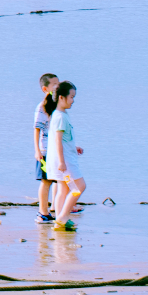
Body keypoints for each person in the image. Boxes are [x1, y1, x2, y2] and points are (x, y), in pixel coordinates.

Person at [45, 80, 84, 230]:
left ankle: (60, 218)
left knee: (63, 189)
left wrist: (75, 147)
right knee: (79, 187)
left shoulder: (59, 114)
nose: (73, 101)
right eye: (71, 97)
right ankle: (62, 217)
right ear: (61, 97)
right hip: (65, 162)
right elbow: (57, 141)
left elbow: (63, 140)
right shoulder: (60, 116)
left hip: (62, 160)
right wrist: (62, 162)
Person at [32, 71, 60, 223]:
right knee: (46, 181)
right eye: (54, 84)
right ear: (45, 89)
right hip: (45, 150)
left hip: (57, 150)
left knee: (58, 180)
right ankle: (42, 212)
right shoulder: (42, 107)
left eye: (58, 83)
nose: (58, 86)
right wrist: (37, 150)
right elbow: (36, 129)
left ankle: (56, 207)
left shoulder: (58, 105)